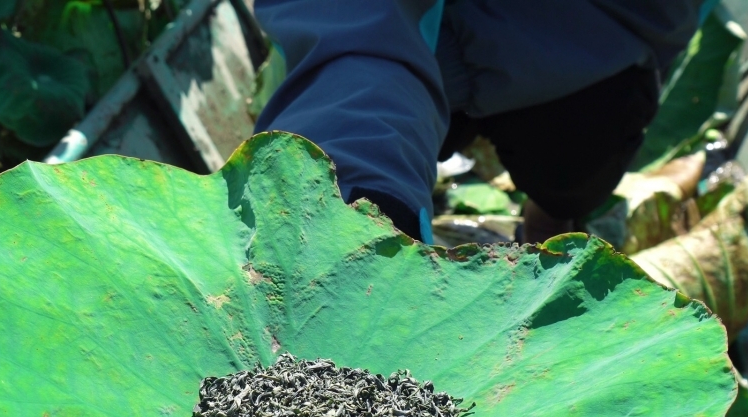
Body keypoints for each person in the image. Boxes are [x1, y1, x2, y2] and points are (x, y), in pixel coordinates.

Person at [252, 0, 701, 243]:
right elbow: (349, 24)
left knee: (577, 167)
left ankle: (548, 225)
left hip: (587, 41)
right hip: (390, 44)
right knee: (326, 153)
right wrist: (358, 198)